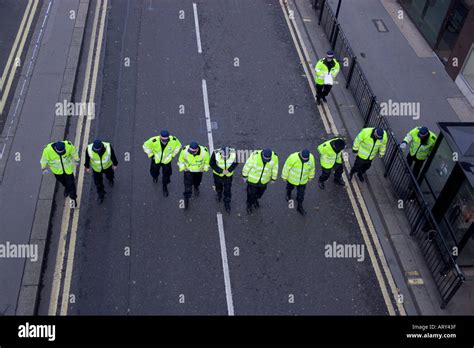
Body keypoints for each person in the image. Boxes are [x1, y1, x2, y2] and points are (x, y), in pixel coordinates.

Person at [143, 130, 182, 197]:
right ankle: (155, 177)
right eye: (162, 139)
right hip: (156, 160)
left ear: (168, 137)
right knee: (153, 171)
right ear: (160, 137)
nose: (164, 141)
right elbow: (145, 146)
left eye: (166, 139)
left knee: (167, 175)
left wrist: (172, 155)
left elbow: (178, 146)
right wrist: (151, 155)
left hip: (166, 161)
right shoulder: (153, 140)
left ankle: (165, 186)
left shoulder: (174, 140)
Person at [40, 140, 79, 206]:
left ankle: (73, 198)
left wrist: (76, 159)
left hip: (68, 169)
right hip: (57, 171)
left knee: (71, 184)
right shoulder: (47, 151)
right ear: (56, 149)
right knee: (63, 182)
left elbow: (74, 152)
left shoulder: (68, 146)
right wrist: (43, 168)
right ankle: (66, 188)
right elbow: (44, 160)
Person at [242, 148, 279, 214]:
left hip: (264, 180)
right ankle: (249, 205)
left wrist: (274, 178)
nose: (266, 161)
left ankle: (255, 199)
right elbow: (247, 166)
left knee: (260, 194)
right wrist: (244, 175)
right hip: (252, 180)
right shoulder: (254, 156)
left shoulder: (275, 158)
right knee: (251, 194)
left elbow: (275, 168)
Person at [281, 149, 315, 216]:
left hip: (303, 181)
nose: (305, 161)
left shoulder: (311, 158)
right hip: (291, 179)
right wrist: (284, 177)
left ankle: (299, 207)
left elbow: (312, 168)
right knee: (289, 188)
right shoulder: (292, 157)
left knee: (301, 195)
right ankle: (288, 194)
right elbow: (286, 167)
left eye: (306, 160)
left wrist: (311, 177)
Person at [177, 141, 210, 209]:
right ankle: (186, 199)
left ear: (197, 149)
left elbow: (207, 162)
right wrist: (183, 168)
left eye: (192, 152)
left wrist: (205, 169)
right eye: (190, 151)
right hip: (188, 171)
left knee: (197, 182)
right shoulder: (185, 150)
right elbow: (181, 160)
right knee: (187, 185)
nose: (190, 153)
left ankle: (196, 187)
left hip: (199, 171)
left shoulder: (204, 152)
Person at [84, 139, 118, 204]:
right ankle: (101, 195)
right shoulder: (89, 149)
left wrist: (115, 164)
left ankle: (111, 180)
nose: (97, 152)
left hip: (107, 166)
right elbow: (87, 158)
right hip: (96, 169)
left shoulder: (108, 146)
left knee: (110, 175)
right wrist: (87, 167)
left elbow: (112, 155)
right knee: (98, 183)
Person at [210, 146, 238, 213]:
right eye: (223, 156)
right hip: (218, 174)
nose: (224, 157)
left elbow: (235, 163)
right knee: (218, 186)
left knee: (227, 189)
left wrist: (229, 170)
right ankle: (219, 194)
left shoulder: (234, 153)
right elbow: (212, 164)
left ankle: (227, 203)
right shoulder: (215, 153)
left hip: (228, 175)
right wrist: (221, 171)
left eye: (226, 156)